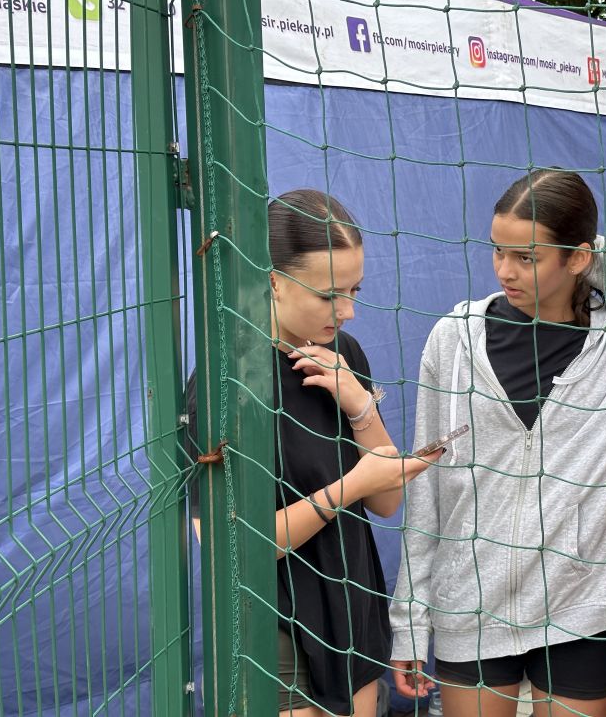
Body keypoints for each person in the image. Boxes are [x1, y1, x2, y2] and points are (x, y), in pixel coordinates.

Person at [389, 170, 606, 717]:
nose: (505, 270)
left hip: (580, 610)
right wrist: (410, 622)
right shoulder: (454, 340)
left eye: (526, 257)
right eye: (498, 251)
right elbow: (428, 493)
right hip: (470, 604)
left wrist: (604, 261)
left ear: (578, 258)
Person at [187, 189, 439, 717]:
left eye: (354, 290)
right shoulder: (222, 385)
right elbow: (229, 546)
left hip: (353, 612)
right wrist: (350, 487)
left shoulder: (344, 354)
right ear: (272, 280)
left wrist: (359, 405)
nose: (348, 312)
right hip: (279, 626)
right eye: (328, 295)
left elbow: (387, 502)